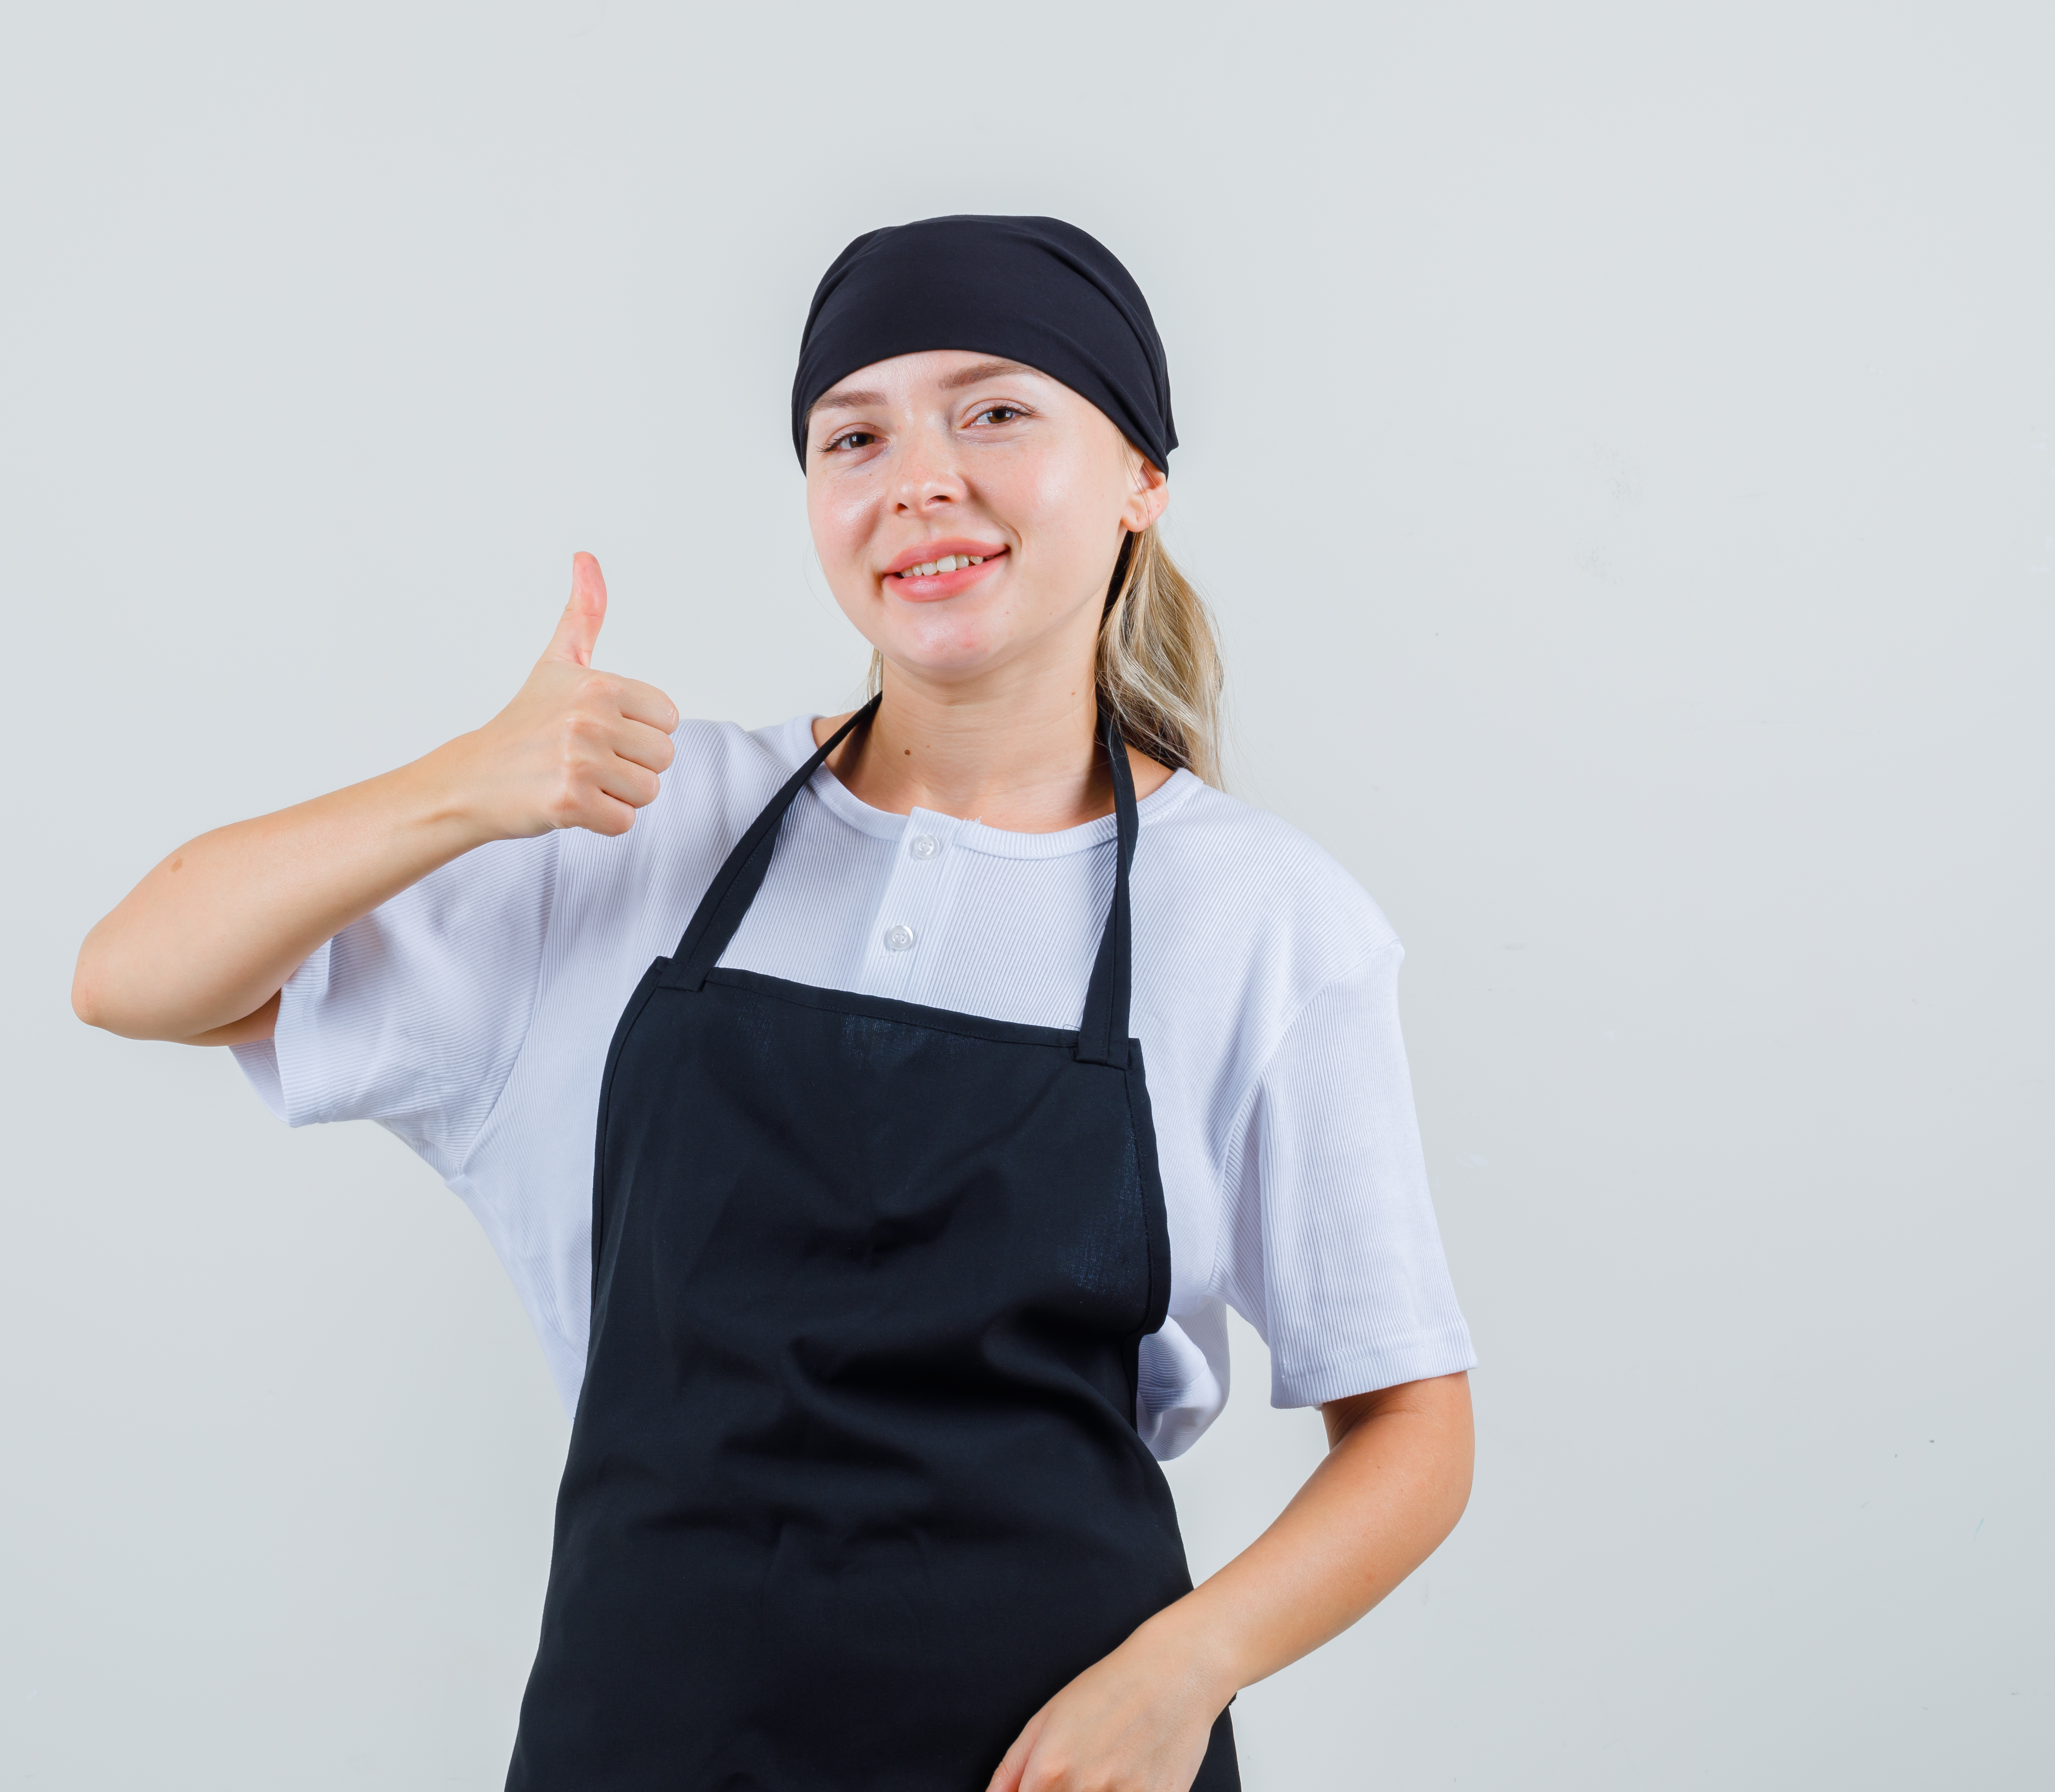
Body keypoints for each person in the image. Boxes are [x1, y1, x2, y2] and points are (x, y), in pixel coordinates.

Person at [73, 215, 1475, 1792]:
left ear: (1141, 476)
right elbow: (135, 975)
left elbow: (1413, 1424)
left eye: (995, 410)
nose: (920, 479)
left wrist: (1187, 1667)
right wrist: (465, 787)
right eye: (853, 436)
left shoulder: (1261, 916)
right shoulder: (640, 829)